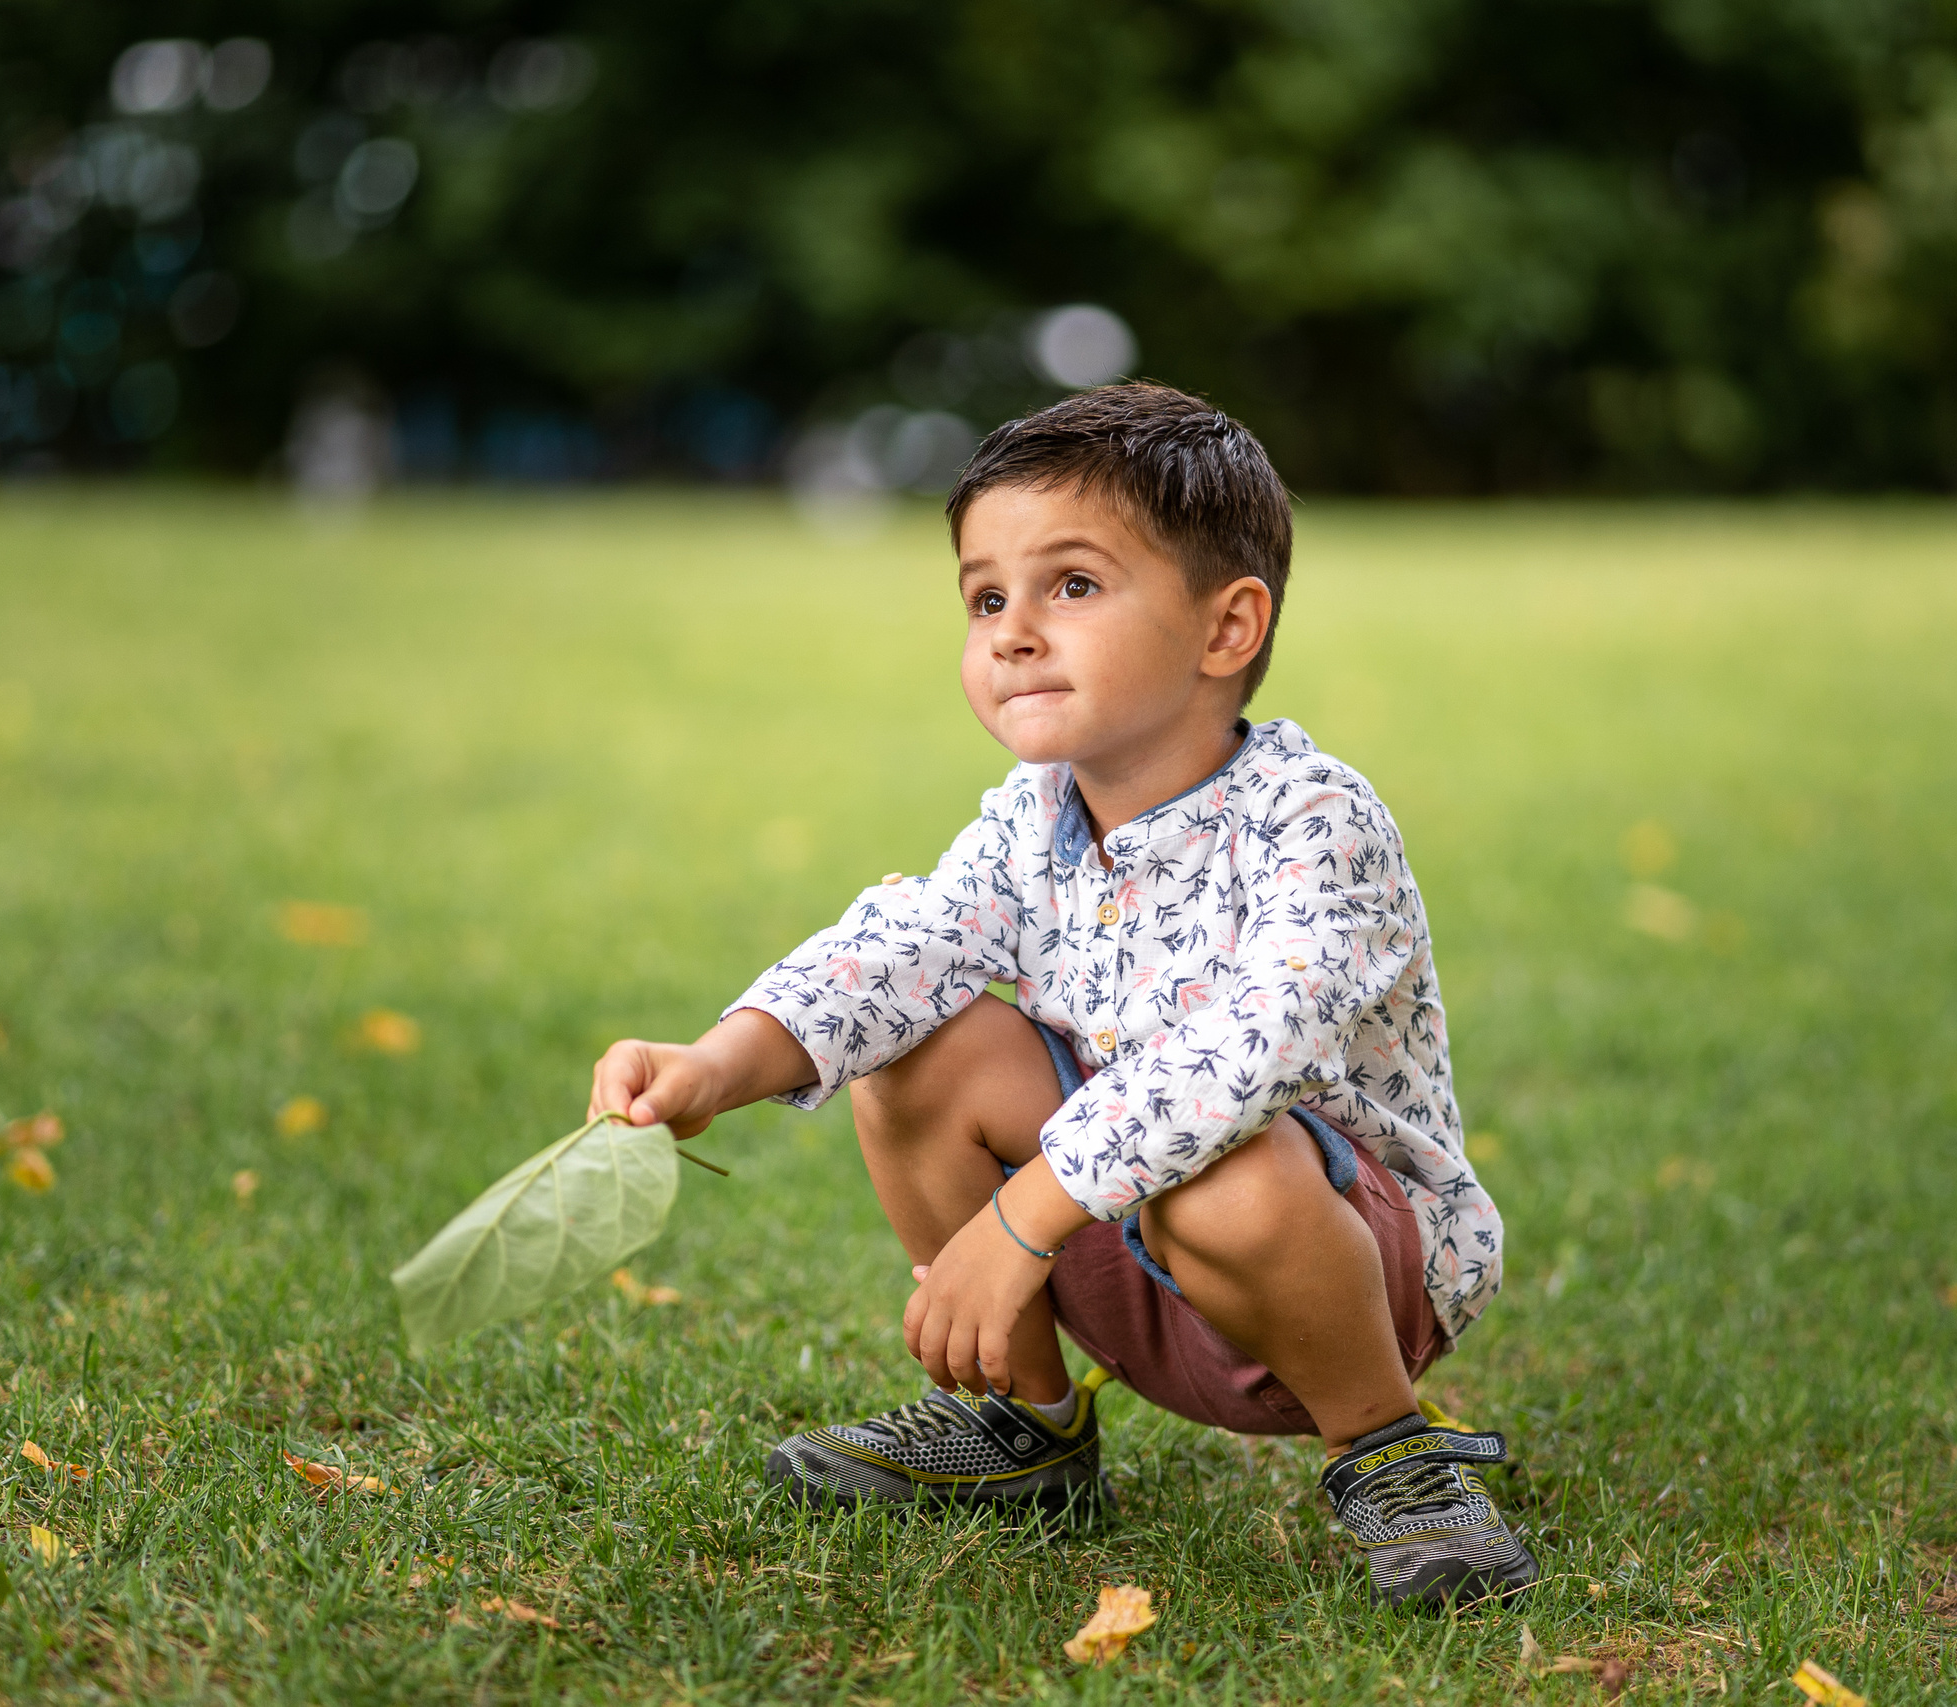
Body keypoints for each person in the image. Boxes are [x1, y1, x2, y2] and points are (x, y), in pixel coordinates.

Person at [587, 384, 1533, 1610]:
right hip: (1127, 1250)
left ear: (1225, 626)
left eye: (1070, 586)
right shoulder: (1031, 822)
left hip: (1334, 1265)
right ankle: (1021, 1430)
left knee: (1227, 1168)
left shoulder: (1312, 818)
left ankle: (1392, 1456)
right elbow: (899, 951)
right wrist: (717, 1061)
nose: (1012, 632)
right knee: (922, 1049)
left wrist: (1020, 1220)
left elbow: (1249, 1053)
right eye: (986, 597)